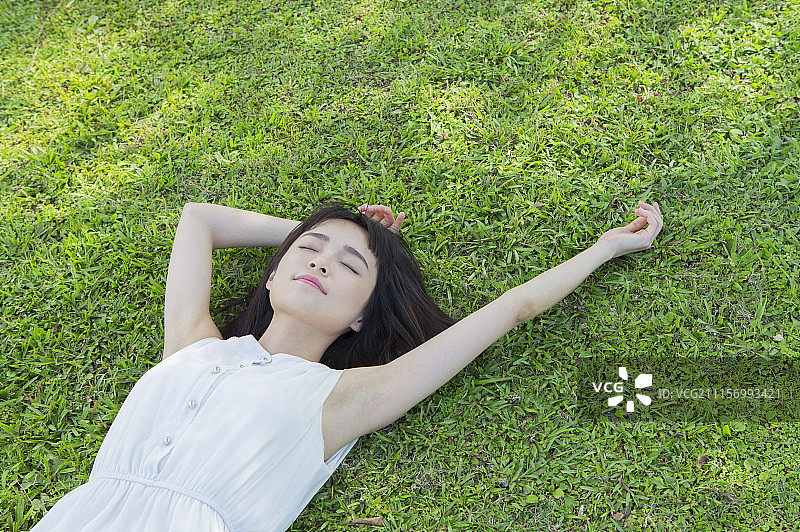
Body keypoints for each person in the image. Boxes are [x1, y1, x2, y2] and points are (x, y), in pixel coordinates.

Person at [30, 199, 663, 531]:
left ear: (360, 317)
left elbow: (512, 309)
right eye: (309, 250)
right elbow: (198, 221)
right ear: (277, 268)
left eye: (349, 266)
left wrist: (607, 249)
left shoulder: (343, 399)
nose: (322, 262)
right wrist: (344, 228)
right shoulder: (194, 347)